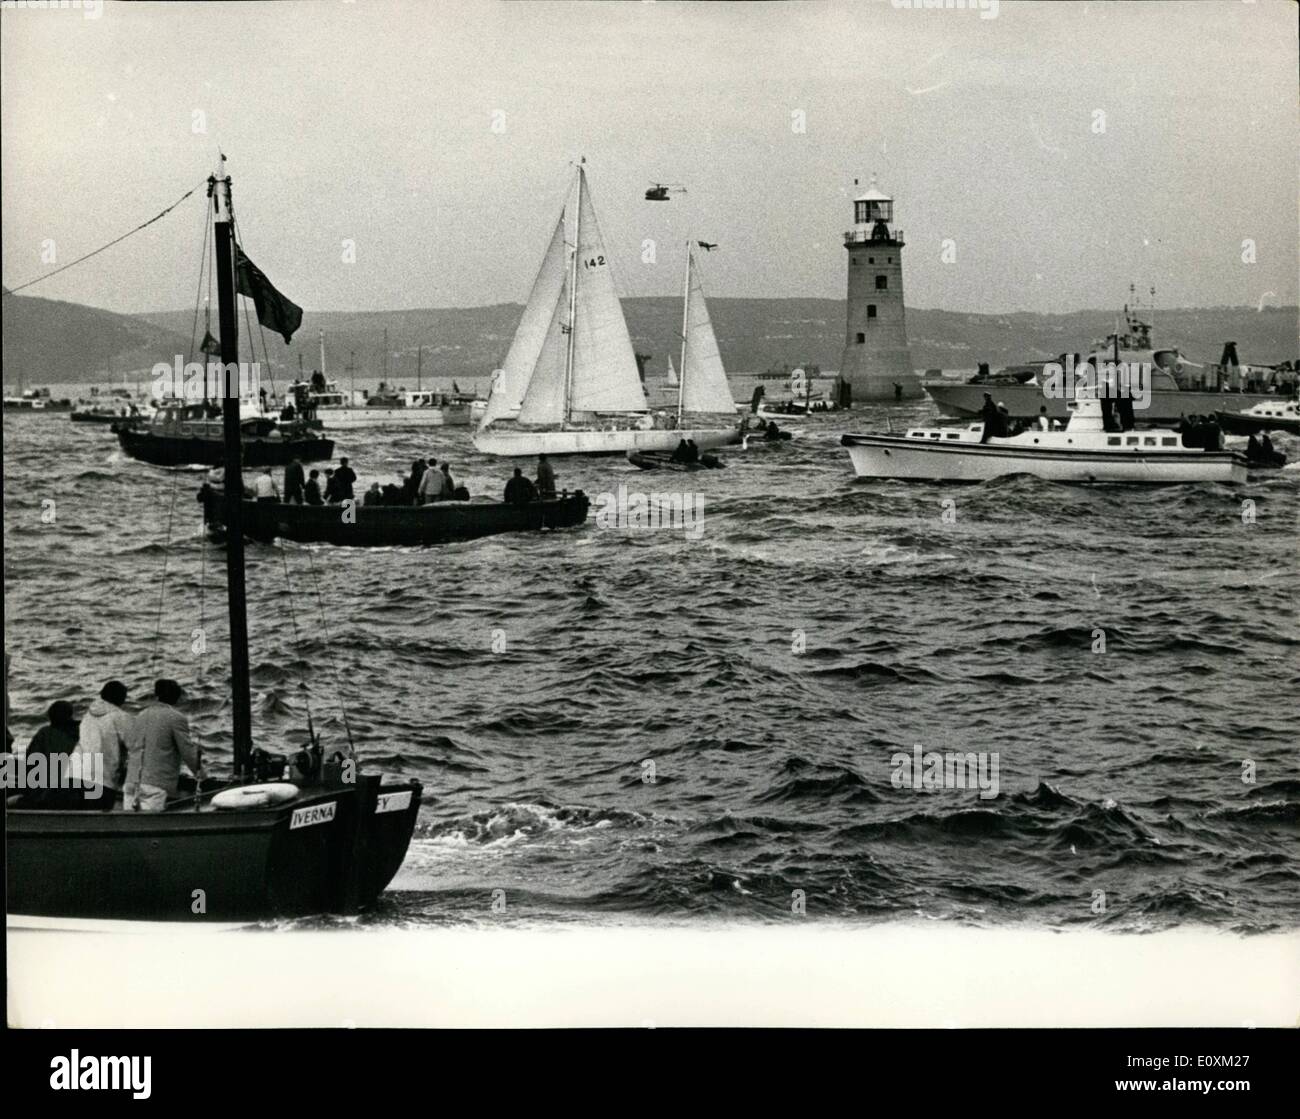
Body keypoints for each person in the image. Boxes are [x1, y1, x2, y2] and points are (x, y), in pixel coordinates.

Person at [124, 679, 198, 812]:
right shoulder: (176, 718)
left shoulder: (140, 715)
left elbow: (131, 745)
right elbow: (187, 752)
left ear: (157, 695)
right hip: (155, 786)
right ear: (176, 697)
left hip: (131, 782)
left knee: (131, 825)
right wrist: (201, 775)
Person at [75, 680, 133, 810]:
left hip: (76, 775)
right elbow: (135, 746)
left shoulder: (87, 715)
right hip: (102, 779)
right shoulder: (121, 717)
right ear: (121, 698)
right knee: (99, 816)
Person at [25, 700, 81, 807]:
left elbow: (31, 765)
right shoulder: (82, 732)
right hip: (78, 793)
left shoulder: (45, 734)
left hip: (49, 794)